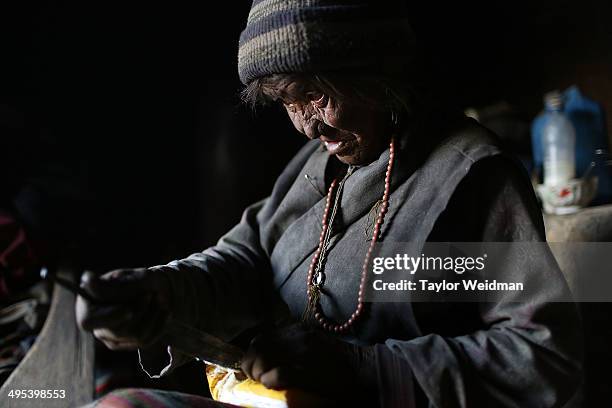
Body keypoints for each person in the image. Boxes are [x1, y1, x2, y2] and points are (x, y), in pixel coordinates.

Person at [77, 1, 582, 407]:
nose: (307, 126)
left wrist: (360, 370)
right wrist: (160, 291)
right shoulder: (323, 163)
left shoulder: (471, 177)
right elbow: (246, 258)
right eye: (287, 105)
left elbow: (543, 357)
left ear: (378, 70)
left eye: (316, 95)